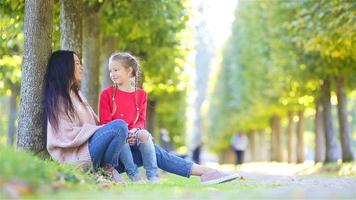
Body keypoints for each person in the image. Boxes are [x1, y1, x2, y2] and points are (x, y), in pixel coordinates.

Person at [45, 50, 240, 185]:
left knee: (151, 149)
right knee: (119, 125)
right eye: (77, 63)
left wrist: (125, 135)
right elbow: (65, 135)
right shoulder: (59, 99)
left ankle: (205, 172)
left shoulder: (77, 95)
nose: (81, 66)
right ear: (64, 67)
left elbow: (100, 130)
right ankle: (108, 169)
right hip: (80, 159)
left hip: (99, 153)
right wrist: (117, 132)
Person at [99, 52, 159, 183]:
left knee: (144, 134)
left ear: (129, 70)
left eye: (116, 70)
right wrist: (125, 133)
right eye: (110, 71)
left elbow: (141, 121)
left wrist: (134, 131)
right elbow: (105, 122)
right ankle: (134, 175)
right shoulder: (106, 94)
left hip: (133, 134)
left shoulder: (141, 95)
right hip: (115, 138)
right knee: (122, 136)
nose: (112, 74)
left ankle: (153, 175)